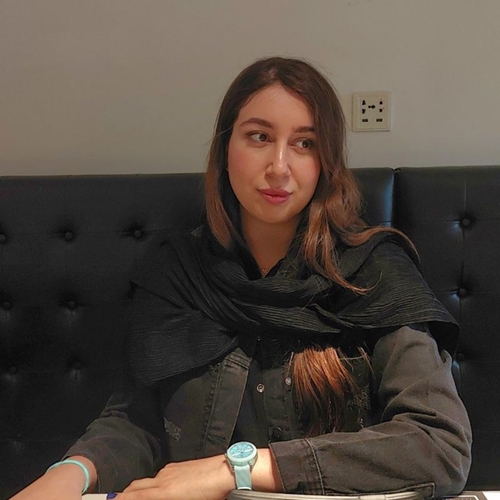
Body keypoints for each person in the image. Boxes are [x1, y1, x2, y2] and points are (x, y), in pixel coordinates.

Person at [11, 56, 471, 500]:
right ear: (225, 148)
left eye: (305, 143)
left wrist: (235, 471)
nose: (279, 167)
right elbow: (140, 421)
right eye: (259, 136)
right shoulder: (177, 271)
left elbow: (439, 445)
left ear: (326, 162)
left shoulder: (373, 273)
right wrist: (72, 473)